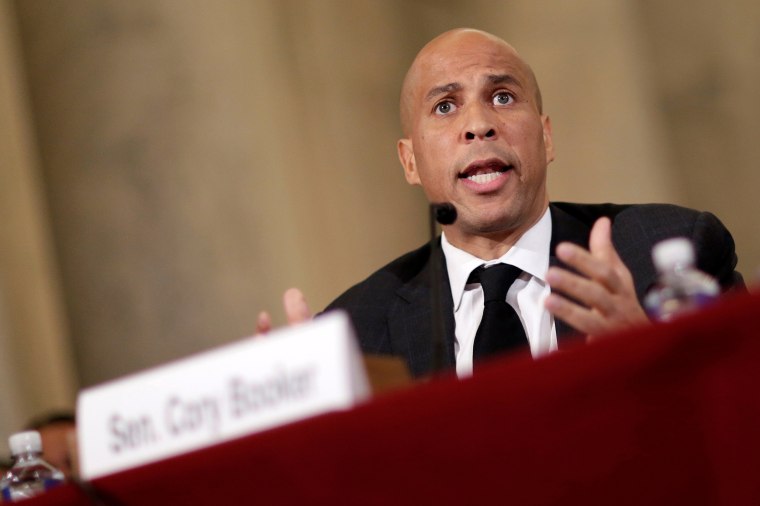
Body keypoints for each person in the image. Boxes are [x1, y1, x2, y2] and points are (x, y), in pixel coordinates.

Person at [258, 28, 742, 378]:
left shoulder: (663, 251)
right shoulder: (357, 332)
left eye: (503, 97)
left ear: (546, 136)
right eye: (445, 107)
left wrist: (654, 363)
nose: (478, 125)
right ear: (410, 162)